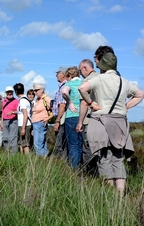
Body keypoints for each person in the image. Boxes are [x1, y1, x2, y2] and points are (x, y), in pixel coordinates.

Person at [79, 53, 144, 195]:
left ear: (102, 66)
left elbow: (82, 89)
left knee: (104, 157)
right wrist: (126, 106)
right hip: (120, 122)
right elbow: (140, 94)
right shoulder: (123, 81)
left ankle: (109, 195)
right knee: (118, 158)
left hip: (101, 120)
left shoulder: (99, 79)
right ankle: (120, 195)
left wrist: (91, 103)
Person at [76, 59, 99, 175]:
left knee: (88, 149)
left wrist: (80, 122)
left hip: (89, 120)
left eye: (80, 70)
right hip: (101, 119)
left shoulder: (88, 81)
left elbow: (84, 103)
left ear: (85, 68)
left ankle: (90, 176)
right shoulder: (101, 78)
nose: (80, 73)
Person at [62, 66, 83, 170]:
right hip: (83, 116)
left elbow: (64, 92)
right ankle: (80, 166)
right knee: (80, 144)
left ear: (70, 76)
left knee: (72, 144)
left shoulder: (69, 84)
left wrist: (69, 103)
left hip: (71, 116)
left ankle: (74, 169)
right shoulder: (83, 83)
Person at [32, 83, 52, 157]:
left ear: (42, 90)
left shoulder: (46, 99)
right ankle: (44, 157)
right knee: (41, 142)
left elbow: (55, 109)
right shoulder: (38, 99)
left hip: (40, 123)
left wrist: (48, 118)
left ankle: (41, 158)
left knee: (38, 143)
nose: (34, 92)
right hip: (36, 123)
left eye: (36, 90)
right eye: (34, 90)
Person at [52, 67, 68, 159]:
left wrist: (57, 121)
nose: (56, 75)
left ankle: (64, 163)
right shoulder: (62, 87)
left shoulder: (64, 87)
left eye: (58, 73)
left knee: (60, 143)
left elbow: (62, 105)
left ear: (63, 74)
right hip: (61, 118)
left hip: (62, 119)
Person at [13, 83, 32, 155]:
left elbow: (25, 114)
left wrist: (23, 128)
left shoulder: (22, 101)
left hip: (25, 124)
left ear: (16, 91)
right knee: (22, 142)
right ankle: (22, 157)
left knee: (25, 144)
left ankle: (27, 160)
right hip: (24, 124)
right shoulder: (25, 99)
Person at [1, 86, 19, 153]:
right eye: (8, 92)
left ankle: (13, 154)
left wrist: (13, 112)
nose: (9, 93)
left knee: (13, 138)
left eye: (11, 92)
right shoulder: (3, 102)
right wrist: (2, 123)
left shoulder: (16, 101)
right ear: (6, 93)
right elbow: (3, 112)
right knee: (5, 138)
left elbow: (20, 111)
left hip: (13, 121)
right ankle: (7, 152)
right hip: (5, 121)